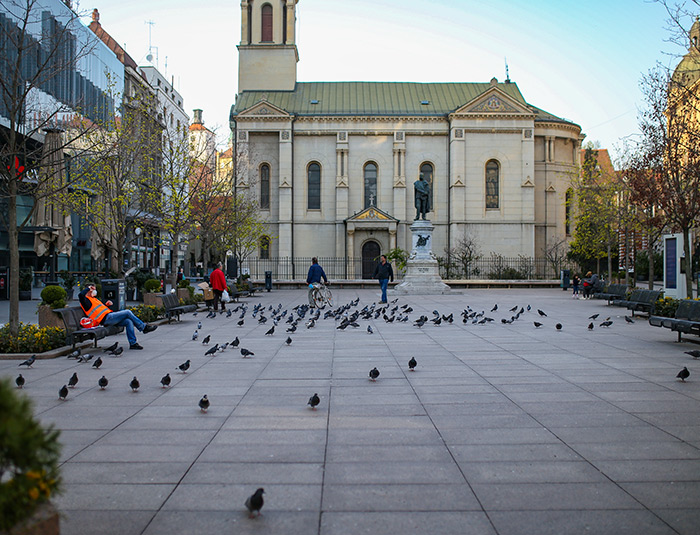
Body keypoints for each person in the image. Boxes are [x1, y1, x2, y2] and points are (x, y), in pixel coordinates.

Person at [78, 283, 157, 350]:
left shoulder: (93, 299)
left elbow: (97, 311)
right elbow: (80, 295)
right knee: (127, 312)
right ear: (88, 290)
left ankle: (133, 343)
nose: (95, 291)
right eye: (93, 289)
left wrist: (106, 305)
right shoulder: (85, 300)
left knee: (128, 321)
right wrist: (88, 288)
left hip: (109, 318)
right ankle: (143, 327)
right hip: (105, 319)